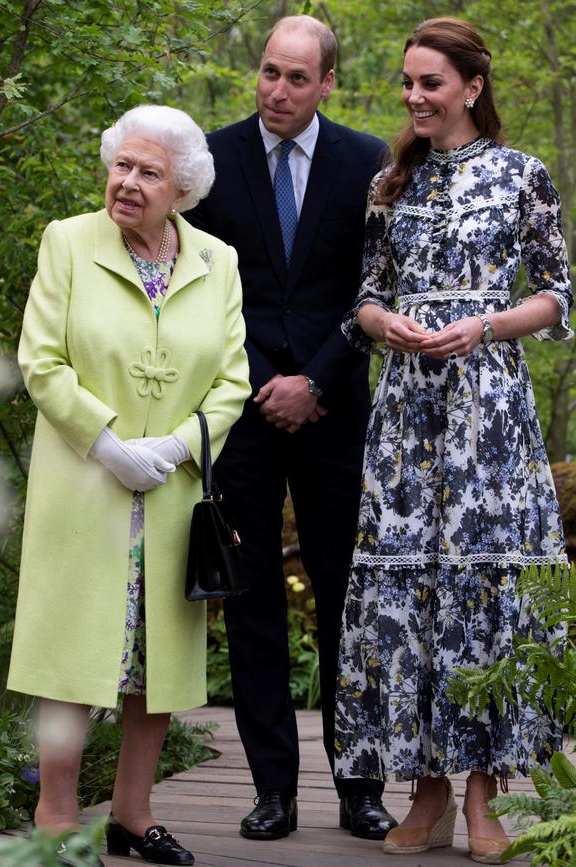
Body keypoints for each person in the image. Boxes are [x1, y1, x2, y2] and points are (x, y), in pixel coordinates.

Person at [335, 16, 572, 865]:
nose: (412, 96)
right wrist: (383, 322)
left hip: (488, 412)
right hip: (406, 418)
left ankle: (481, 794)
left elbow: (556, 296)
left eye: (429, 82)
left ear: (471, 86)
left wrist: (488, 325)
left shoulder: (522, 177)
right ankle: (423, 793)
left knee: (479, 588)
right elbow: (363, 297)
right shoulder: (390, 183)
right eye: (407, 82)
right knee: (411, 596)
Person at [7, 104, 250, 866]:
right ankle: (54, 813)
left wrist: (178, 445)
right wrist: (108, 444)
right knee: (72, 655)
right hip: (87, 484)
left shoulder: (219, 260)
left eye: (149, 172)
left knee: (152, 661)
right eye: (121, 165)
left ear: (182, 188)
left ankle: (132, 814)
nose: (128, 183)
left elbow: (233, 379)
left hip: (172, 494)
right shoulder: (69, 242)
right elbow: (41, 361)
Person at [187, 14, 396, 842]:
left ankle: (360, 788)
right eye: (269, 72)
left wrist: (315, 377)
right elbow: (197, 284)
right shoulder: (212, 157)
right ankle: (272, 788)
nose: (276, 90)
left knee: (350, 597)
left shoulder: (368, 161)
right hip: (240, 413)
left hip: (335, 407)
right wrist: (260, 379)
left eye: (296, 78)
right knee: (253, 604)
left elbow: (375, 285)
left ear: (328, 84)